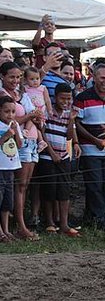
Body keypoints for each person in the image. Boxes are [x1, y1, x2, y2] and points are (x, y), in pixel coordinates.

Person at [74, 64, 105, 230]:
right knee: (95, 186)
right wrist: (94, 140)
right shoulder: (83, 97)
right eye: (103, 78)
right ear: (94, 78)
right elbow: (76, 124)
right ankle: (98, 220)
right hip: (90, 150)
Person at [1, 62, 41, 240]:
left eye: (18, 77)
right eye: (12, 77)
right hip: (9, 145)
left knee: (22, 186)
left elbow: (34, 114)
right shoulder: (2, 95)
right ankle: (19, 226)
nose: (15, 80)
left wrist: (28, 120)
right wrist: (27, 118)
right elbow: (11, 118)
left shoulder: (21, 93)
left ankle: (17, 225)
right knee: (15, 186)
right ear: (2, 76)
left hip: (27, 140)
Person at [37, 83, 81, 237]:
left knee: (64, 190)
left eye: (69, 99)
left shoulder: (69, 114)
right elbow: (41, 134)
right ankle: (49, 222)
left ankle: (64, 223)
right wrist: (51, 153)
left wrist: (71, 120)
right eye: (63, 98)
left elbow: (68, 136)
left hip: (63, 155)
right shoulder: (47, 112)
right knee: (49, 190)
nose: (66, 102)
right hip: (48, 156)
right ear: (55, 97)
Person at [0, 96, 23, 242]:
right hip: (0, 167)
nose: (10, 115)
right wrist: (7, 135)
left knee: (8, 201)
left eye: (13, 111)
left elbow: (20, 144)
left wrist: (14, 132)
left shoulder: (14, 125)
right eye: (6, 111)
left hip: (11, 166)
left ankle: (6, 230)